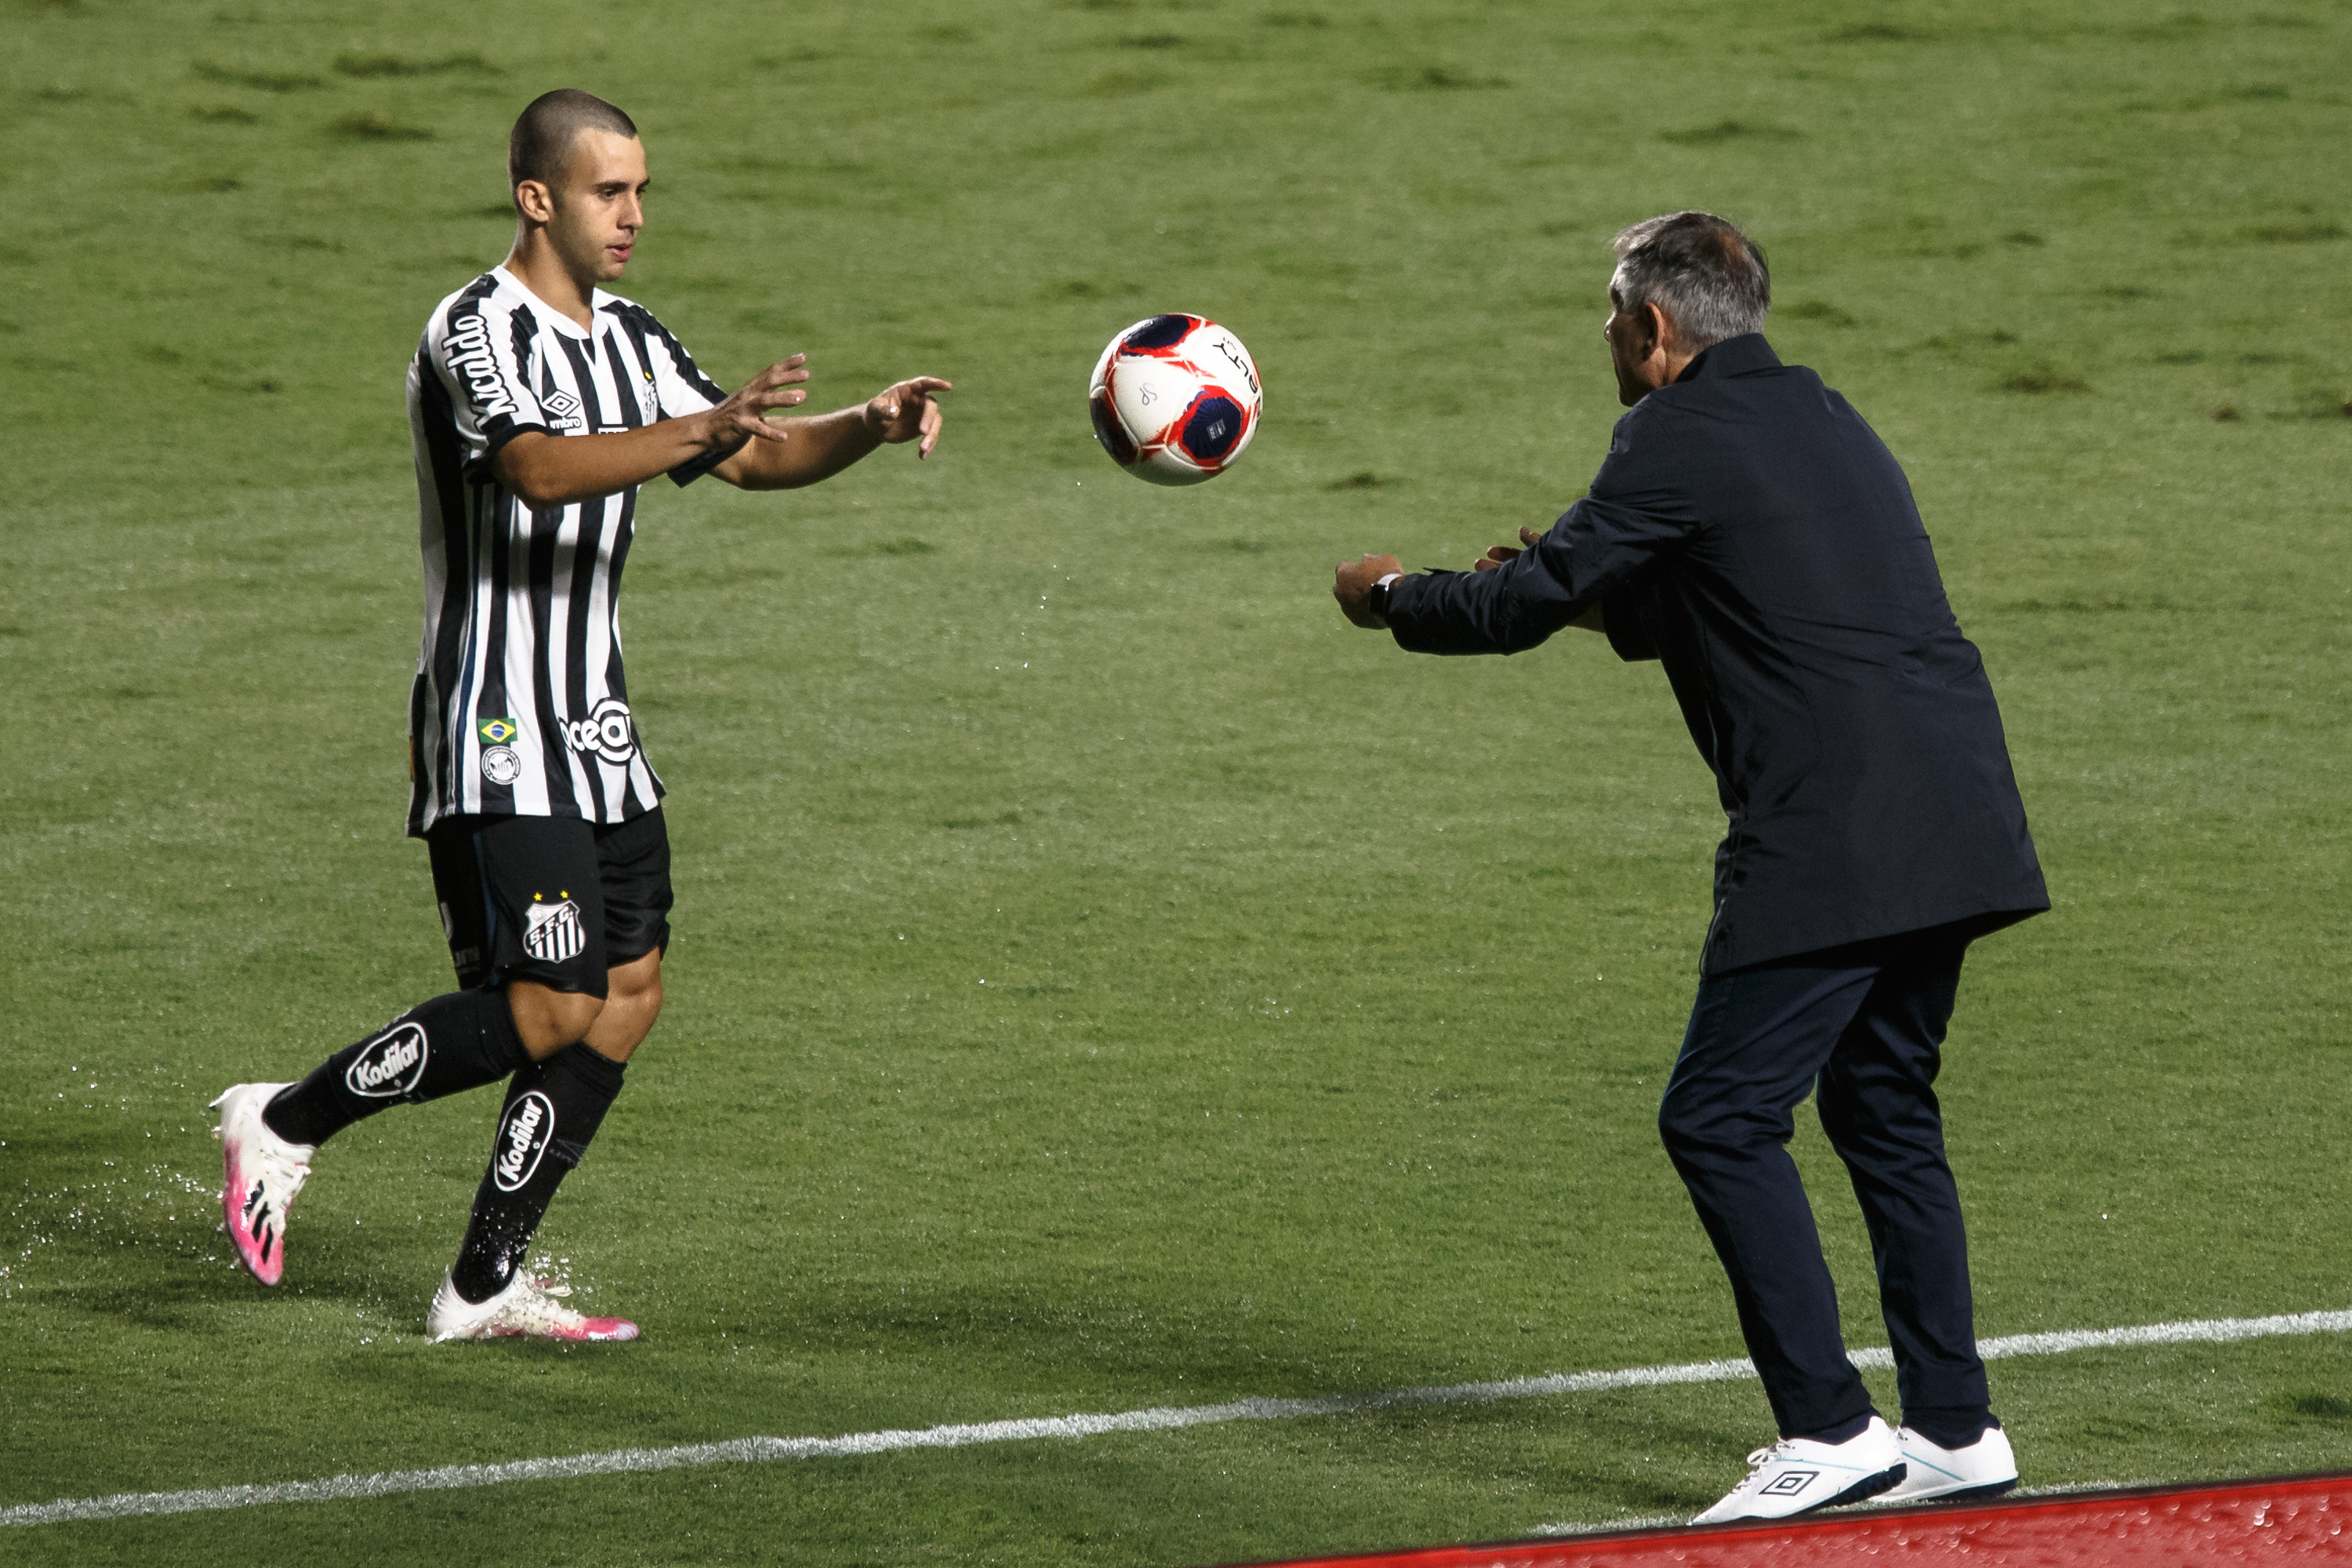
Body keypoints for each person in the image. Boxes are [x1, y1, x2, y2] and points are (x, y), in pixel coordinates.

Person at [1330, 211, 2048, 1523]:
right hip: (1958, 810)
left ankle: (1830, 1430)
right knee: (1883, 1109)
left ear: (1657, 330)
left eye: (1611, 314)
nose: (1604, 334)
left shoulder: (1674, 432)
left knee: (1717, 1119)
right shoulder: (1824, 416)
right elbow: (1711, 592)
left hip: (1835, 833)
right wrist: (1567, 582)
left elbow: (1517, 607)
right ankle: (1954, 1427)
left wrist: (1390, 596)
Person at [209, 89, 950, 1343]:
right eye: (612, 193)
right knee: (548, 1001)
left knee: (625, 997)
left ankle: (483, 1285)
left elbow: (754, 455)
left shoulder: (633, 336)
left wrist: (864, 428)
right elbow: (540, 470)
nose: (636, 215)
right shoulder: (472, 331)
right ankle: (281, 1121)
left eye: (644, 190)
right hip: (493, 720)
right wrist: (696, 430)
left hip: (596, 727)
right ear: (537, 197)